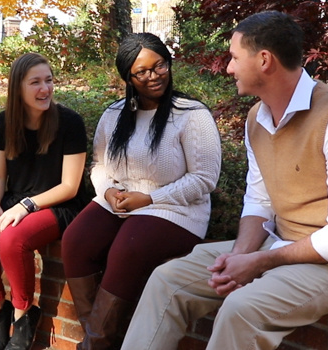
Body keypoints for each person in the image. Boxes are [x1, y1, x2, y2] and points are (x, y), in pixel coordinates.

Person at [121, 11, 328, 350]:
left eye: (235, 57)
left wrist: (259, 262)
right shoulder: (258, 116)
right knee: (167, 280)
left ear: (264, 60)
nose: (229, 68)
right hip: (280, 245)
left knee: (241, 309)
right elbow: (260, 201)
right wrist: (239, 256)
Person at [62, 33, 222, 349]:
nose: (154, 76)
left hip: (175, 209)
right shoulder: (114, 114)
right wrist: (108, 192)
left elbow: (204, 180)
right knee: (74, 241)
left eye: (159, 65)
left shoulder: (191, 115)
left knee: (127, 246)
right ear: (129, 78)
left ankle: (93, 345)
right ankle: (98, 339)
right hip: (120, 201)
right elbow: (100, 164)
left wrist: (149, 198)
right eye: (142, 72)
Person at [0, 53, 89, 350]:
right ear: (17, 88)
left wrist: (27, 206)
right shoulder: (5, 121)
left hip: (58, 204)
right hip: (16, 200)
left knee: (12, 240)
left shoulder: (70, 122)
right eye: (35, 82)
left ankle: (23, 318)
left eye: (48, 81)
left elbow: (70, 187)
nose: (44, 89)